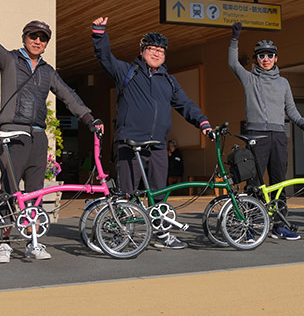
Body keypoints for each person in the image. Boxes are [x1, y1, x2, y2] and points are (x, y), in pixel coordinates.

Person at [0, 8, 101, 262]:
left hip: (37, 136)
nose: (37, 40)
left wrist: (89, 118)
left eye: (43, 38)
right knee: (10, 191)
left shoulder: (47, 71)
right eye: (33, 35)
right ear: (24, 37)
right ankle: (3, 243)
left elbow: (68, 95)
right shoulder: (10, 60)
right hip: (12, 133)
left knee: (35, 192)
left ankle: (34, 242)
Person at [91, 16, 213, 249]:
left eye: (160, 51)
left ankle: (161, 233)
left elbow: (185, 105)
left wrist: (203, 123)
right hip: (129, 143)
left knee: (160, 192)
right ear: (142, 51)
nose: (156, 54)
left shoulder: (168, 80)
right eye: (152, 49)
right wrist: (99, 34)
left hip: (157, 145)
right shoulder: (127, 72)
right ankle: (120, 232)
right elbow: (105, 58)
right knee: (126, 193)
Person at [228, 22, 304, 241]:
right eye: (261, 56)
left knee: (279, 182)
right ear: (256, 59)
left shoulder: (284, 83)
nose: (265, 59)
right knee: (254, 184)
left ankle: (279, 226)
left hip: (278, 137)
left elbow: (292, 111)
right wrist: (235, 38)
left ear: (276, 58)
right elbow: (232, 63)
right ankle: (251, 227)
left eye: (270, 55)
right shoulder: (250, 79)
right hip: (256, 136)